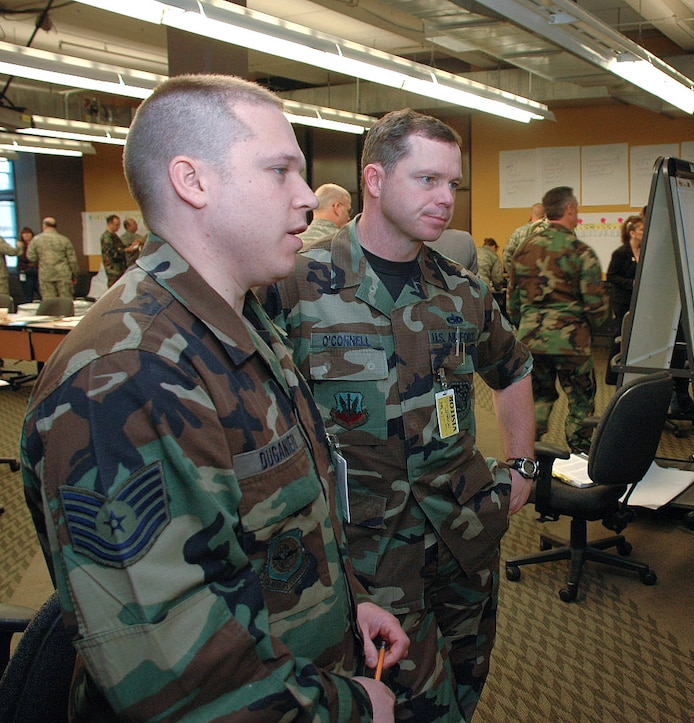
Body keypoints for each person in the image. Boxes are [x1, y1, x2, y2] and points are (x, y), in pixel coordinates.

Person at [21, 74, 409, 721]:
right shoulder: (125, 377)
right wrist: (353, 707)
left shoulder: (239, 321)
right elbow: (180, 681)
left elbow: (264, 527)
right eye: (280, 170)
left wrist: (342, 604)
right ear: (192, 181)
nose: (307, 196)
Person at [269, 107, 536, 721]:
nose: (446, 199)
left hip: (463, 530)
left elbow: (514, 367)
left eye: (453, 184)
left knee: (468, 682)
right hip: (365, 549)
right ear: (376, 179)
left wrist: (520, 464)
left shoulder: (461, 289)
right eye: (427, 180)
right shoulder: (298, 285)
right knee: (407, 700)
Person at [507, 185, 608, 453]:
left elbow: (512, 302)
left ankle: (532, 455)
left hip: (530, 340)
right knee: (580, 401)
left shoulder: (523, 250)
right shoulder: (580, 251)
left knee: (539, 397)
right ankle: (579, 454)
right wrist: (593, 329)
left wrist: (526, 325)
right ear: (569, 209)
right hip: (571, 342)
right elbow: (595, 304)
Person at [604, 214, 643, 385]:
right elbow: (611, 276)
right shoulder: (621, 253)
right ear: (632, 233)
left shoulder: (646, 251)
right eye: (642, 230)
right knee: (619, 336)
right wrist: (631, 283)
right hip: (622, 301)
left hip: (640, 301)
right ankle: (613, 375)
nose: (645, 232)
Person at [27, 216, 78, 300]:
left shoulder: (36, 240)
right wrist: (74, 274)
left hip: (45, 274)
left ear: (44, 226)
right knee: (66, 301)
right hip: (63, 274)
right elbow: (72, 260)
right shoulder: (64, 240)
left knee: (49, 302)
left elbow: (31, 257)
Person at [502, 202, 547, 281]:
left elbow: (507, 255)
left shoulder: (518, 232)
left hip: (522, 280)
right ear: (545, 215)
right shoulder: (550, 233)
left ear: (531, 214)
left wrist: (513, 275)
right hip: (544, 282)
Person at [99, 213, 128, 286]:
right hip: (113, 270)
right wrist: (126, 250)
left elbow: (120, 247)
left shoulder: (114, 236)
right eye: (117, 225)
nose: (119, 227)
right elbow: (113, 253)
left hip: (120, 268)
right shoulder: (107, 237)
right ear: (110, 224)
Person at [16, 226, 39, 302]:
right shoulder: (20, 246)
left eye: (28, 233)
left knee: (40, 292)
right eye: (24, 233)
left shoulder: (36, 244)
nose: (26, 235)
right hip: (24, 272)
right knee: (28, 295)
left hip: (36, 271)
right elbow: (22, 258)